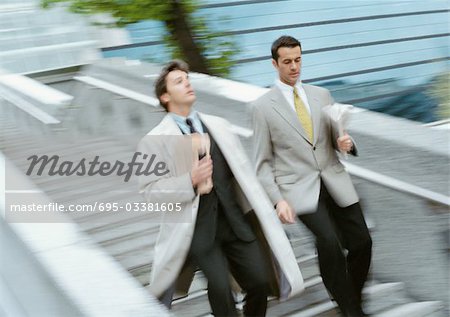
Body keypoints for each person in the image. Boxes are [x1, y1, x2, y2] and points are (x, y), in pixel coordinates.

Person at [138, 60, 304, 317]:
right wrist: (190, 180)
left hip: (236, 224)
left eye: (187, 78)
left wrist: (276, 201)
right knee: (220, 289)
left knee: (260, 283)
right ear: (165, 96)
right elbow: (150, 193)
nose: (187, 83)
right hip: (198, 231)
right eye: (178, 81)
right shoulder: (154, 141)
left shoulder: (220, 126)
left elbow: (245, 177)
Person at [251, 36, 372, 317]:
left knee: (362, 243)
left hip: (334, 179)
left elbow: (335, 138)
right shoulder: (262, 108)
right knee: (328, 241)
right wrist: (278, 200)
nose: (294, 67)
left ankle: (351, 298)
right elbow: (262, 163)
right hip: (298, 188)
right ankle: (351, 310)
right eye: (287, 62)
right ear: (274, 63)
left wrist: (347, 144)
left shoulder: (322, 95)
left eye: (298, 60)